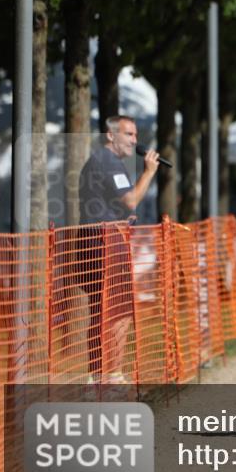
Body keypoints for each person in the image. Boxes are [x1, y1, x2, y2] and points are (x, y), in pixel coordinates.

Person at [78, 115, 159, 384]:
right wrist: (148, 171)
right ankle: (110, 374)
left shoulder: (99, 160)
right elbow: (131, 200)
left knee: (101, 309)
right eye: (129, 135)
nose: (135, 141)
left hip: (93, 240)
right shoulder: (110, 162)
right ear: (111, 135)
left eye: (136, 135)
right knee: (118, 310)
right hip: (105, 242)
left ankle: (98, 375)